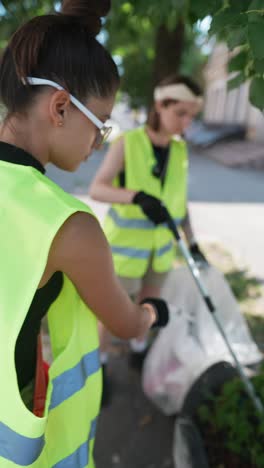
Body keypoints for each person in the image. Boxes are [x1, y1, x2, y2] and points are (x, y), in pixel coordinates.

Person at [0, 1, 169, 466]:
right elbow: (126, 324)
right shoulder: (67, 225)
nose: (99, 144)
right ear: (59, 107)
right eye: (101, 125)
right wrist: (154, 311)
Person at [89, 74, 207, 382]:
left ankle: (139, 352)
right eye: (180, 113)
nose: (185, 123)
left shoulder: (180, 151)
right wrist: (136, 197)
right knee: (111, 315)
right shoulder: (128, 142)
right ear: (160, 104)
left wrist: (192, 243)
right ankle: (99, 366)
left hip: (161, 253)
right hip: (125, 252)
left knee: (150, 306)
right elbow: (97, 189)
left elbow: (179, 205)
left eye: (191, 116)